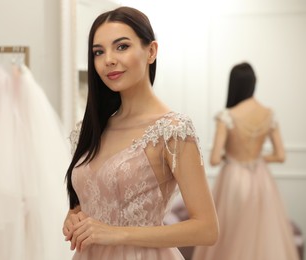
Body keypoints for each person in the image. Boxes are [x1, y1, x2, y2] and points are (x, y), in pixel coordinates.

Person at [62, 6, 219, 260]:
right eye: (98, 52)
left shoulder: (172, 131)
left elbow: (207, 229)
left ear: (151, 51)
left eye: (121, 46)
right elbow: (93, 198)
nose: (108, 59)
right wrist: (74, 217)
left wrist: (116, 233)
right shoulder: (90, 129)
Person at [192, 62, 300, 260]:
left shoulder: (227, 116)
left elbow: (215, 159)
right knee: (262, 233)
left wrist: (230, 156)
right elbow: (280, 156)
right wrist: (257, 158)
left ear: (233, 85)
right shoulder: (269, 114)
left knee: (231, 232)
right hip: (262, 179)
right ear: (254, 83)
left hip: (234, 179)